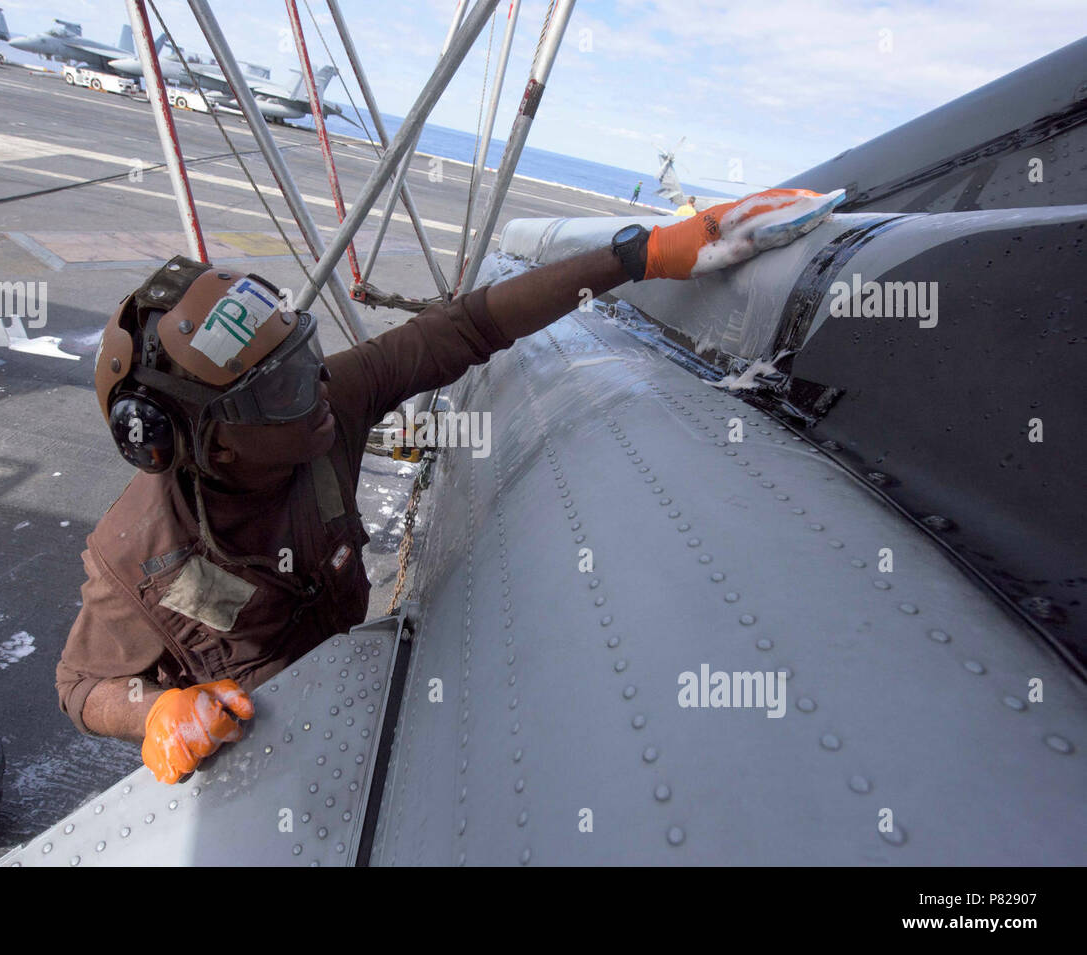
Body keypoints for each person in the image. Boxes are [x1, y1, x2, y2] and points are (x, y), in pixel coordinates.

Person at [57, 188, 844, 784]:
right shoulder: (135, 553)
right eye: (279, 391)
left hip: (356, 689)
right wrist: (151, 710)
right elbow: (80, 683)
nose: (316, 390)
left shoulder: (325, 405)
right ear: (208, 444)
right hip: (267, 754)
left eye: (303, 358)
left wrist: (642, 256)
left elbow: (466, 327)